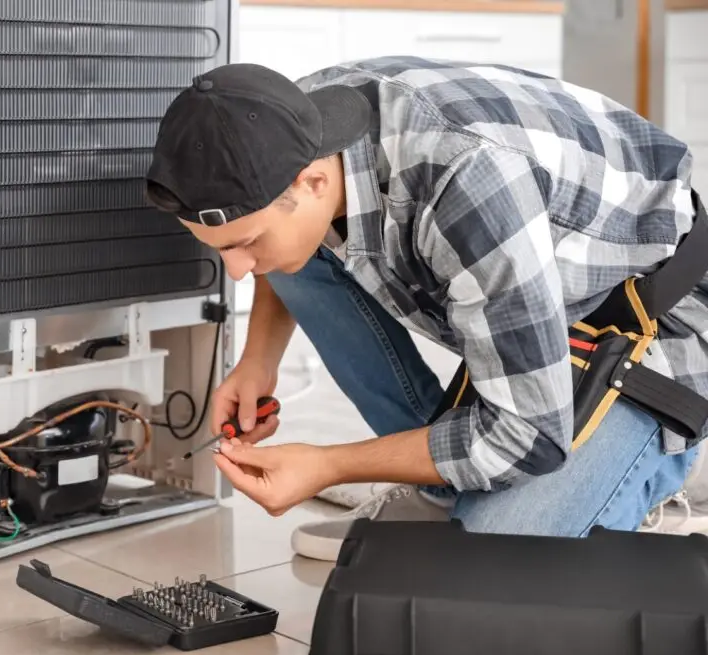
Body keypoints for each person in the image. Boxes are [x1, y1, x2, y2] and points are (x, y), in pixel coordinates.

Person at [144, 57, 708, 562]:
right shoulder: (289, 121)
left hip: (651, 322)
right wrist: (257, 360)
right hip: (528, 282)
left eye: (246, 243)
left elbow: (527, 436)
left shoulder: (469, 181)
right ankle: (444, 484)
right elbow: (281, 237)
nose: (237, 271)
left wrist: (331, 463)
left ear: (313, 180)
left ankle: (650, 464)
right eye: (221, 248)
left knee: (488, 570)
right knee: (295, 250)